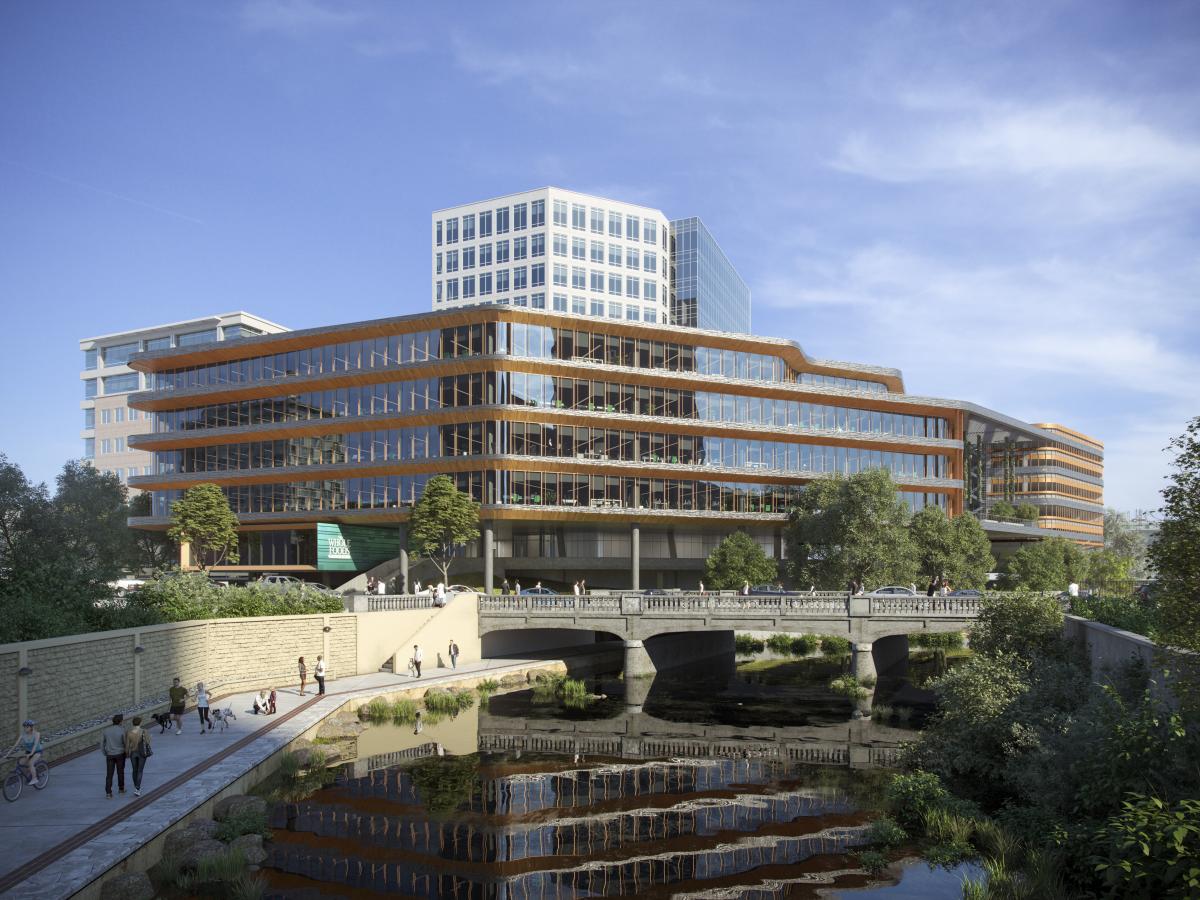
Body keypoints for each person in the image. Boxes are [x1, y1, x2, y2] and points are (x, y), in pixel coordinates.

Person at [9, 719, 42, 785]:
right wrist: (8, 754)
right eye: (24, 727)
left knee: (30, 763)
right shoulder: (23, 735)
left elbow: (35, 745)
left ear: (31, 727)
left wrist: (31, 753)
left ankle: (34, 778)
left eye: (27, 727)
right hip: (28, 752)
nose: (25, 728)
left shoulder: (37, 734)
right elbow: (15, 745)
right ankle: (29, 774)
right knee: (20, 763)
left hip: (37, 751)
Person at [124, 716, 150, 797]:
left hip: (133, 753)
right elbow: (148, 742)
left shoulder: (129, 732)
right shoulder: (144, 731)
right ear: (140, 723)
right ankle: (137, 788)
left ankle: (136, 786)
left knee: (134, 770)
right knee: (140, 771)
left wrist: (127, 753)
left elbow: (127, 744)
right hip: (142, 753)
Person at [102, 714, 127, 798]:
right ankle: (121, 789)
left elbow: (102, 744)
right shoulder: (122, 730)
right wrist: (126, 752)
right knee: (120, 772)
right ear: (120, 721)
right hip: (120, 754)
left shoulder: (106, 730)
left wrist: (105, 752)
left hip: (109, 755)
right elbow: (125, 743)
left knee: (109, 774)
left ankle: (108, 793)